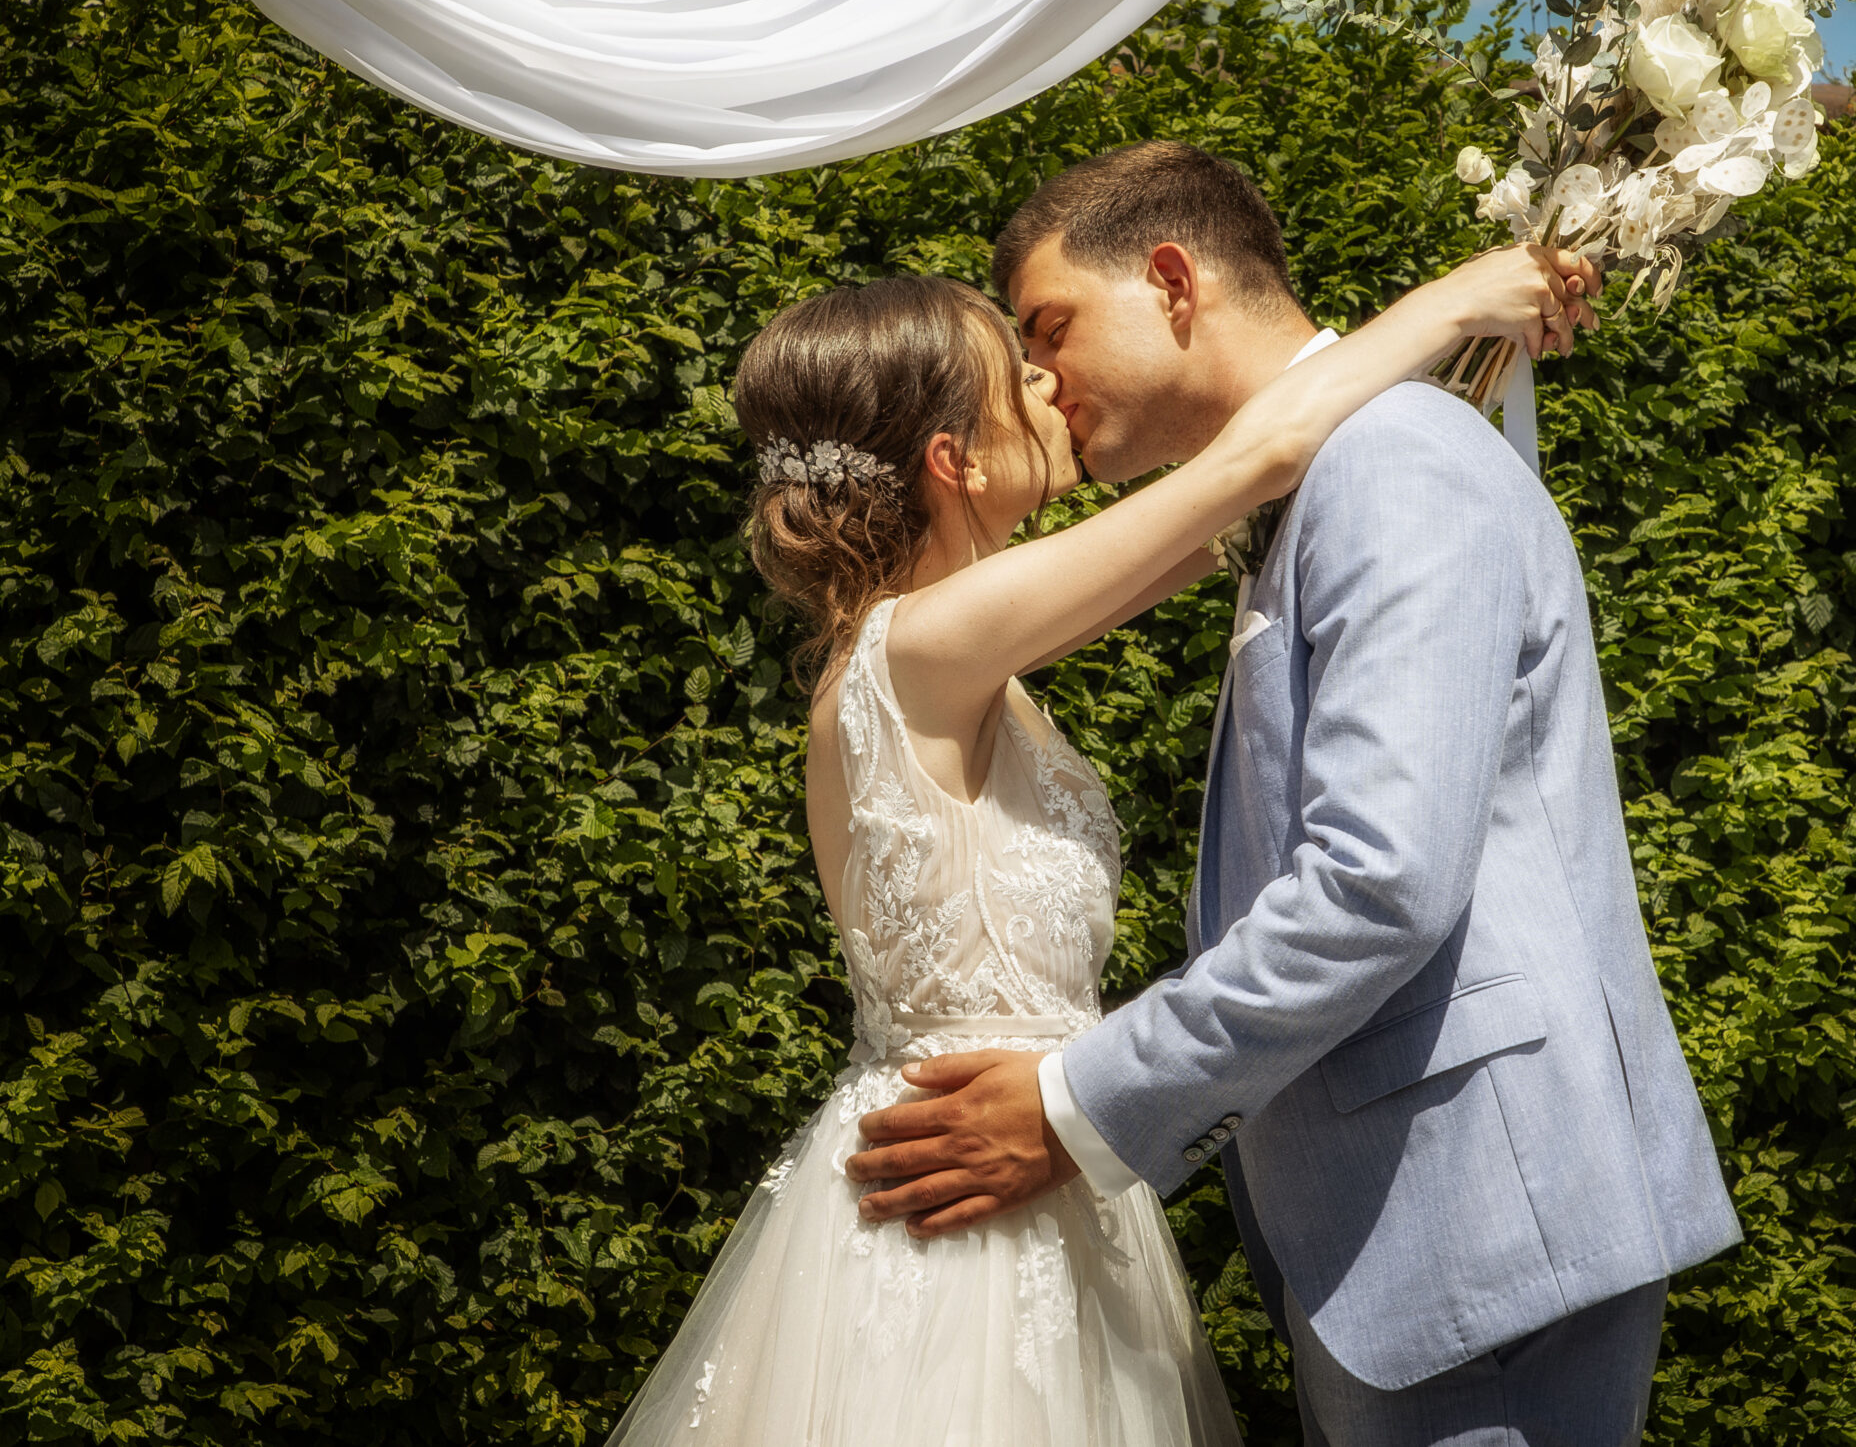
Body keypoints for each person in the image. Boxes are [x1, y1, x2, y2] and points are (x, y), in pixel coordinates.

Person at [601, 233, 1593, 1447]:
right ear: (952, 459)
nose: (1046, 383)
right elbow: (1263, 454)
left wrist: (1472, 372)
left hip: (1033, 1166)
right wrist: (1462, 294)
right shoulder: (927, 643)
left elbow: (1241, 504)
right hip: (976, 1188)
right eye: (1014, 374)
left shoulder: (957, 649)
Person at [849, 141, 1743, 1447]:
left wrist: (1078, 1099)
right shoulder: (1323, 474)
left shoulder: (1395, 462)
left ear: (1171, 279)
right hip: (1425, 1225)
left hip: (1482, 1223)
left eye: (1050, 326)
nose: (1038, 379)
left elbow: (1378, 881)